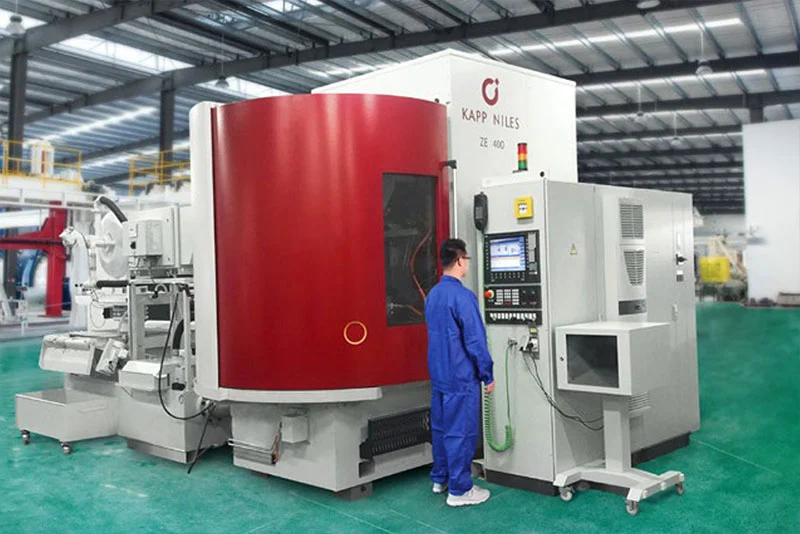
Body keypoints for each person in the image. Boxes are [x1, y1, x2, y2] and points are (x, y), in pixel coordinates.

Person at [424, 238, 495, 507]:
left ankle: (440, 478)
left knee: (442, 429)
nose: (467, 264)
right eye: (466, 259)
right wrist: (487, 373)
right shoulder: (463, 297)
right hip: (461, 377)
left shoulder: (433, 295)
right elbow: (475, 340)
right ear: (459, 260)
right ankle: (460, 490)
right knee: (461, 432)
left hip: (440, 375)